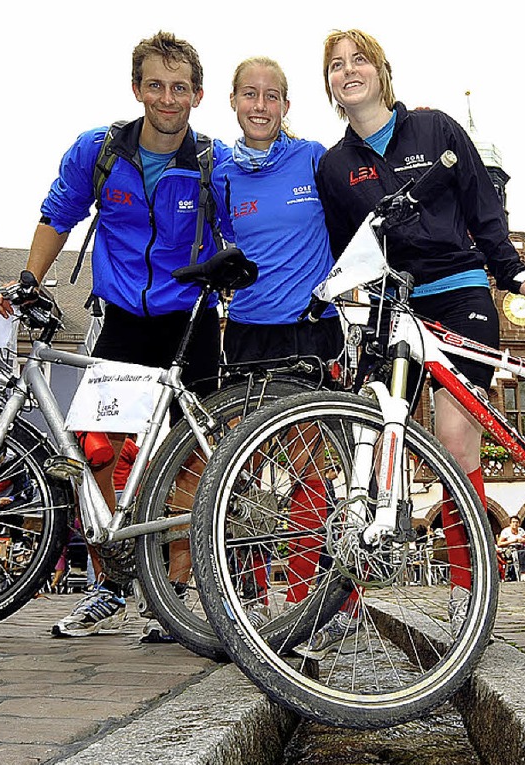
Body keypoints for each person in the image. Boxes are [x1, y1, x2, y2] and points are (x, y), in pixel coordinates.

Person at [314, 28, 525, 631]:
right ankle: (343, 599)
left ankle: (467, 590)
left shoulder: (436, 129)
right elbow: (340, 250)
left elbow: (484, 206)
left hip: (459, 296)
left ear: (382, 71)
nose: (349, 72)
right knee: (364, 445)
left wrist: (515, 275)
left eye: (360, 61)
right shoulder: (333, 166)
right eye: (336, 66)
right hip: (391, 311)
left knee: (456, 444)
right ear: (328, 84)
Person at [0, 32, 224, 637]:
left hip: (189, 318)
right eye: (156, 85)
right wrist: (27, 279)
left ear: (197, 95)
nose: (167, 98)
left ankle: (169, 596)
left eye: (180, 87)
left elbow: (248, 217)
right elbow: (58, 213)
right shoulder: (97, 152)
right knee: (95, 450)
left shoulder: (211, 160)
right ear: (136, 89)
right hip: (120, 315)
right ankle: (110, 583)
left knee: (191, 461)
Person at [211, 57, 345, 621]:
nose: (260, 105)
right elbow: (218, 234)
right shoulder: (221, 172)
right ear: (235, 102)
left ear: (287, 106)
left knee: (311, 465)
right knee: (238, 469)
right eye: (249, 94)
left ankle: (311, 601)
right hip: (245, 331)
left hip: (310, 328)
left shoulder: (312, 158)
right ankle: (242, 603)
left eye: (272, 96)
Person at [498, 515, 525, 581]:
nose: (515, 524)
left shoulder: (521, 530)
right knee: (521, 553)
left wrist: (524, 540)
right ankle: (523, 573)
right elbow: (499, 543)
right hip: (510, 549)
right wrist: (513, 541)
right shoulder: (506, 531)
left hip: (522, 547)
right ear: (510, 523)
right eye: (513, 522)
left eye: (517, 522)